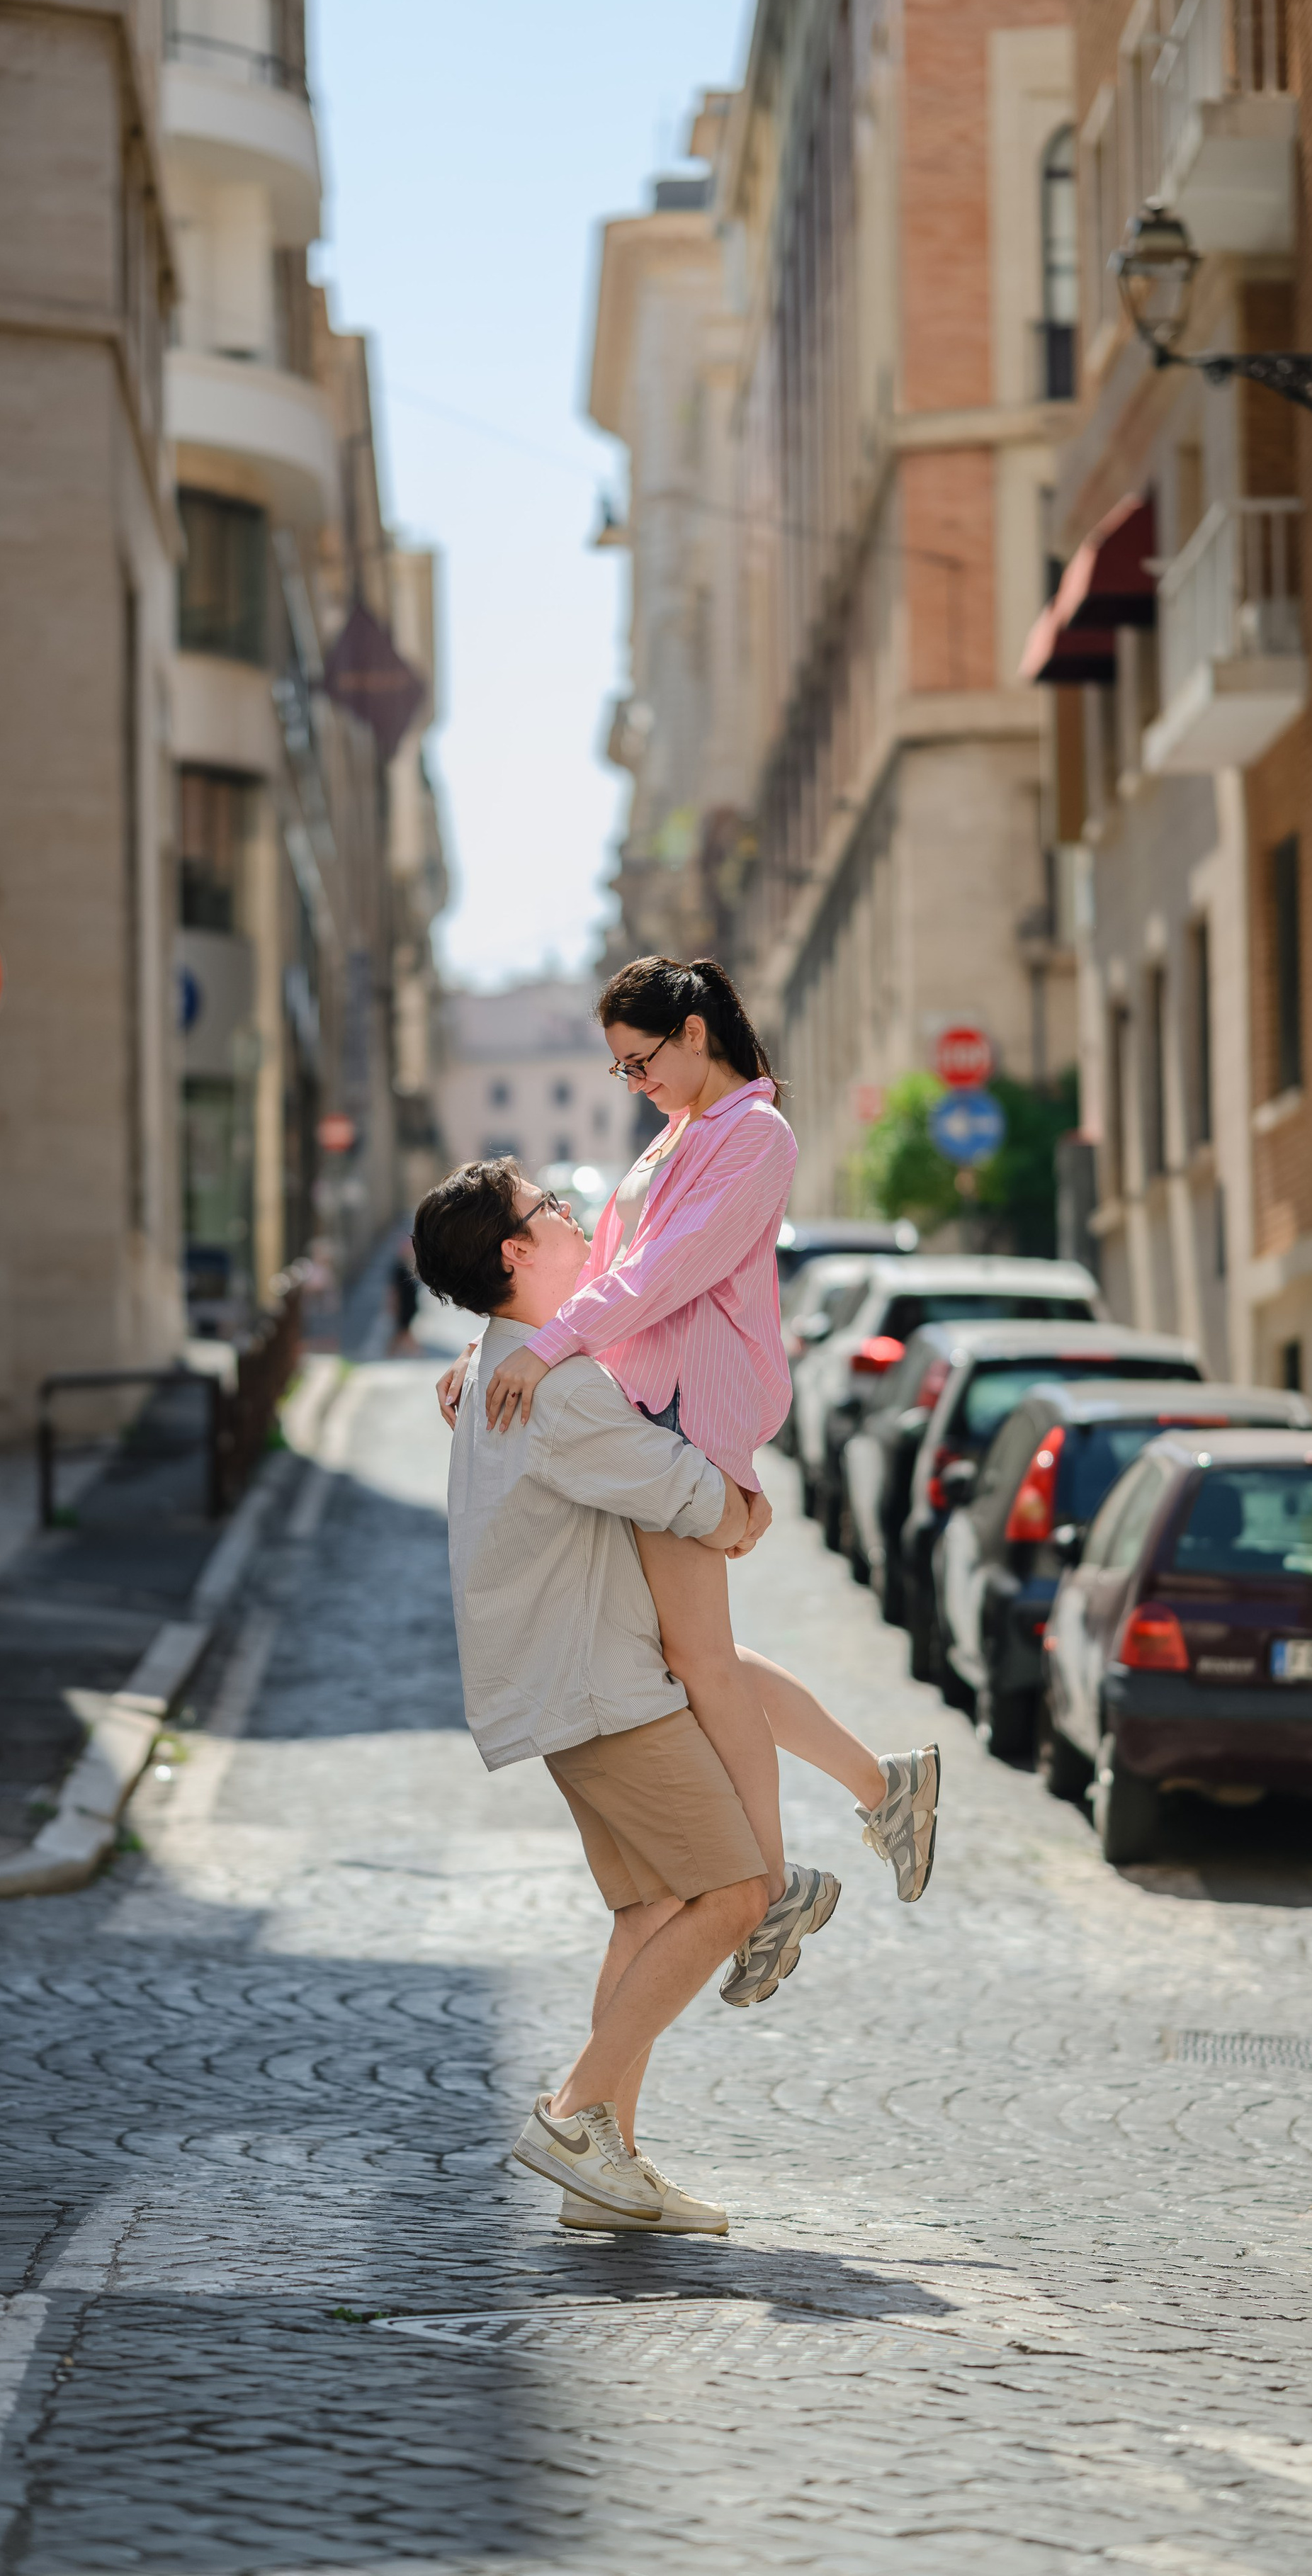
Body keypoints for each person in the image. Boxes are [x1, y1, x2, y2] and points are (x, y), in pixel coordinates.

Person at [439, 956, 938, 1962]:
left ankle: (769, 1890)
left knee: (699, 1662)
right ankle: (878, 1795)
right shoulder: (684, 1134)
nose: (634, 1083)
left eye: (640, 1061)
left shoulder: (754, 1136)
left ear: (695, 1033)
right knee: (691, 1655)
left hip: (688, 1409)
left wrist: (537, 1349)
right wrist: (488, 1343)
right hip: (647, 1403)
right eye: (622, 1070)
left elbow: (662, 1275)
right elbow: (603, 1272)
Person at [414, 1156, 817, 2232]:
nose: (572, 1216)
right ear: (516, 1252)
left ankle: (610, 2173)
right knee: (736, 1894)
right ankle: (573, 2112)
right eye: (551, 1210)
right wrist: (740, 1513)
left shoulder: (517, 1363)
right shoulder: (559, 1390)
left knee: (649, 1913)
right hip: (600, 1691)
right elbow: (674, 1487)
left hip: (568, 1688)